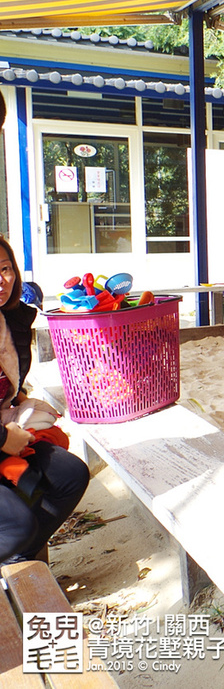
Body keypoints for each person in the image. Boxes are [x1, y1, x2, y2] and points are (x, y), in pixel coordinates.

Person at [0, 233, 90, 565]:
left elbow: (10, 380)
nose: (2, 280)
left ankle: (16, 563)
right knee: (16, 523)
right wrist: (5, 439)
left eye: (6, 268)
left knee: (70, 475)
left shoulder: (14, 321)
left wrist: (18, 399)